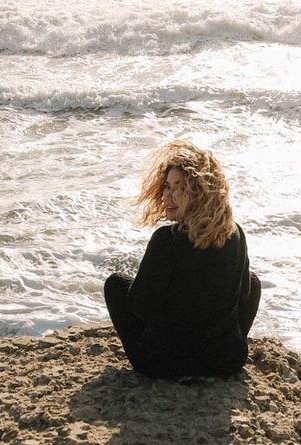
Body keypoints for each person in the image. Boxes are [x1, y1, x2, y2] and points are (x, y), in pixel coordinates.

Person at [104, 140, 261, 379]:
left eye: (180, 187)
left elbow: (141, 307)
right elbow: (244, 296)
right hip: (226, 361)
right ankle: (223, 344)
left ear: (200, 192)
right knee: (253, 282)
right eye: (167, 186)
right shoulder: (235, 233)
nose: (168, 195)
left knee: (116, 283)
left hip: (162, 363)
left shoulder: (166, 240)